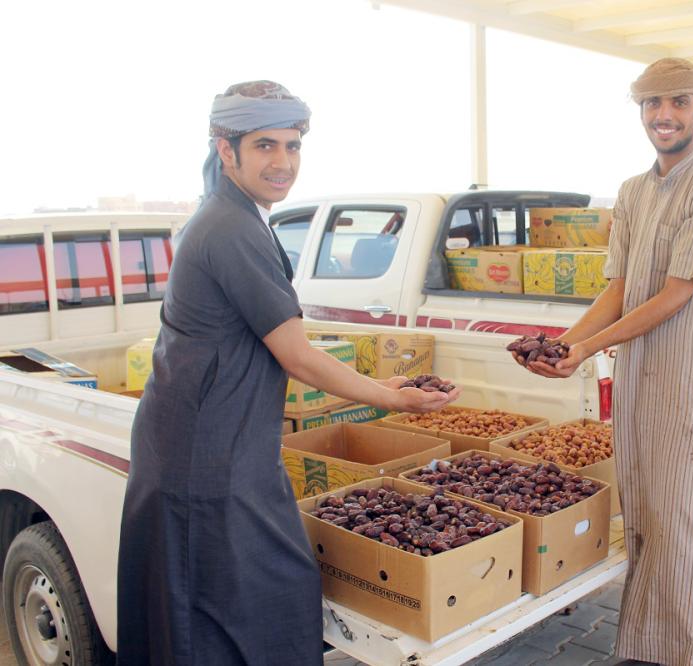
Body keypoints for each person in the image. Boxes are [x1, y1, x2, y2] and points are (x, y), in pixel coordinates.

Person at [116, 81, 458, 665]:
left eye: (293, 146)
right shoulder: (229, 228)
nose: (283, 163)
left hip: (222, 447)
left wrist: (381, 386)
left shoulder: (236, 216)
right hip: (207, 463)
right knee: (243, 605)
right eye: (266, 146)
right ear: (226, 151)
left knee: (215, 607)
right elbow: (296, 354)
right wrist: (390, 399)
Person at [513, 58, 693, 666]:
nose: (662, 116)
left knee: (688, 534)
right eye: (651, 105)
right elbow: (618, 287)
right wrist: (564, 344)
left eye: (676, 104)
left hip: (687, 390)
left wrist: (589, 349)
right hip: (640, 389)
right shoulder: (632, 192)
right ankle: (649, 650)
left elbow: (677, 292)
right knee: (647, 522)